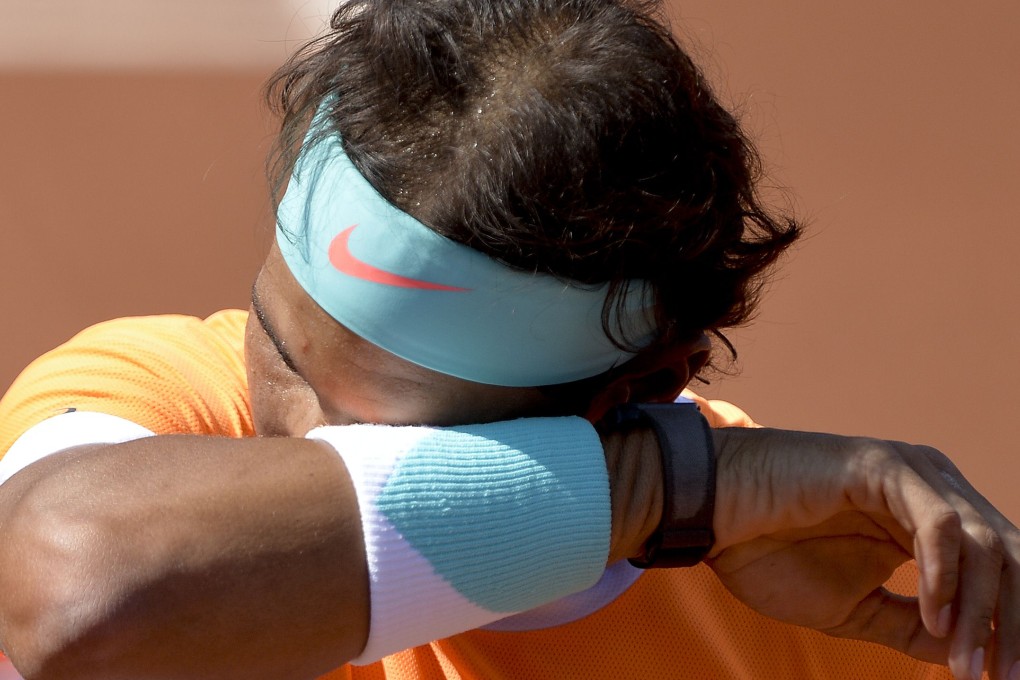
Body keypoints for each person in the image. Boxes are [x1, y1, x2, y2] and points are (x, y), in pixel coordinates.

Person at [0, 1, 1016, 678]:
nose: (291, 438)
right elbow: (71, 592)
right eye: (278, 343)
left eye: (370, 428)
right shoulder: (162, 399)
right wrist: (665, 492)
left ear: (637, 395)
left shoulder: (836, 606)